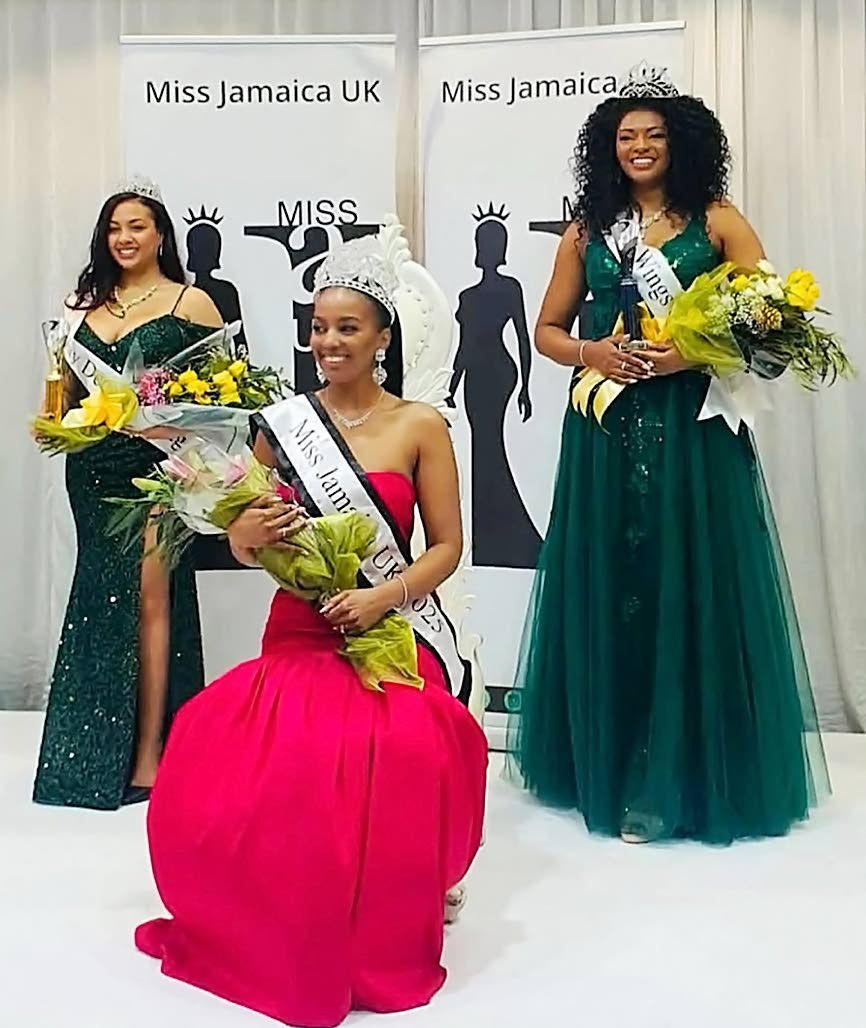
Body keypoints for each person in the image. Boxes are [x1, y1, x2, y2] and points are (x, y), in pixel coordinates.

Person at [134, 232, 488, 1027]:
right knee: (261, 748)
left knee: (391, 742)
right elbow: (247, 539)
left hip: (391, 628)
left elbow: (447, 547)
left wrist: (381, 598)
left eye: (347, 328)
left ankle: (379, 907)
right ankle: (275, 910)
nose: (328, 342)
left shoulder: (420, 426)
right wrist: (246, 535)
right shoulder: (283, 425)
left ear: (382, 338)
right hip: (300, 629)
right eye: (319, 327)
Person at [508, 63, 829, 844]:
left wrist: (689, 353)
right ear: (608, 149)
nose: (641, 146)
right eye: (627, 137)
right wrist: (591, 353)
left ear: (680, 143)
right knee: (614, 578)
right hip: (606, 430)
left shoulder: (716, 221)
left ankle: (679, 773)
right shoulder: (587, 232)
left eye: (654, 134)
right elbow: (547, 330)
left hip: (692, 431)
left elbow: (773, 321)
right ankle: (609, 761)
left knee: (689, 579)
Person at [33, 179, 223, 809]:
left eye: (136, 226)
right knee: (101, 595)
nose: (124, 238)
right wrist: (58, 423)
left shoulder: (191, 303)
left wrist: (180, 434)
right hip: (94, 468)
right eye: (114, 228)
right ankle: (90, 751)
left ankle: (150, 751)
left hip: (163, 467)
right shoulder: (82, 307)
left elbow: (229, 398)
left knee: (152, 595)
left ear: (160, 235)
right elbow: (63, 393)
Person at [449, 205, 541, 569]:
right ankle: (489, 537)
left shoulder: (508, 289)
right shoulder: (467, 296)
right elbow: (464, 346)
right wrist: (450, 387)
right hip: (478, 375)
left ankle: (504, 537)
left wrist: (526, 387)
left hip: (498, 374)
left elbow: (523, 338)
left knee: (489, 445)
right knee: (483, 448)